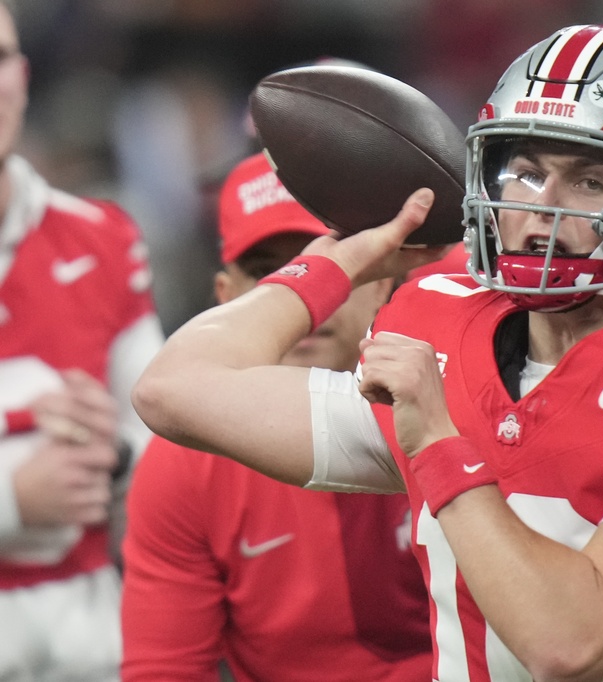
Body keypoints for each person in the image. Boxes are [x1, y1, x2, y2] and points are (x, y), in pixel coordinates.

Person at [132, 25, 603, 681]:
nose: (542, 209)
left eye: (588, 180)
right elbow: (174, 388)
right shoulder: (450, 342)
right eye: (524, 173)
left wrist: (439, 444)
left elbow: (568, 641)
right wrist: (335, 269)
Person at [120, 152, 433, 681]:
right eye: (273, 274)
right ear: (227, 300)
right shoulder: (183, 467)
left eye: (337, 263)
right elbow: (164, 670)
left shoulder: (456, 406)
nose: (311, 296)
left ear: (383, 280)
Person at [0, 0, 164, 679]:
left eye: (0, 57)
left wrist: (115, 454)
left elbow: (159, 442)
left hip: (91, 649)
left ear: (25, 73)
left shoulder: (103, 237)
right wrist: (11, 503)